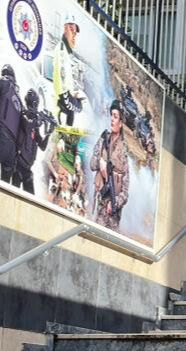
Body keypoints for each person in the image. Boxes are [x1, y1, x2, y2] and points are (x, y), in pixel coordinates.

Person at [89, 100, 130, 231]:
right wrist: (100, 163)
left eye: (116, 116)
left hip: (113, 213)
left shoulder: (124, 151)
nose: (112, 119)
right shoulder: (103, 140)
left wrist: (115, 203)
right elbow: (91, 164)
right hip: (100, 203)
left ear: (121, 123)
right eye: (111, 115)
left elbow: (125, 191)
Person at [11, 89, 52, 194]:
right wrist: (40, 119)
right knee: (12, 195)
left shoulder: (34, 123)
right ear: (34, 103)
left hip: (27, 168)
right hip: (18, 164)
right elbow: (28, 125)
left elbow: (42, 145)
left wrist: (49, 133)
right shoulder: (23, 114)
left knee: (30, 199)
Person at [54, 16, 86, 126]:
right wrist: (67, 98)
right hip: (59, 107)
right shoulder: (61, 49)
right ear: (65, 28)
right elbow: (61, 78)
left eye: (75, 33)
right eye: (71, 30)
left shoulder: (68, 54)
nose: (74, 35)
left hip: (64, 107)